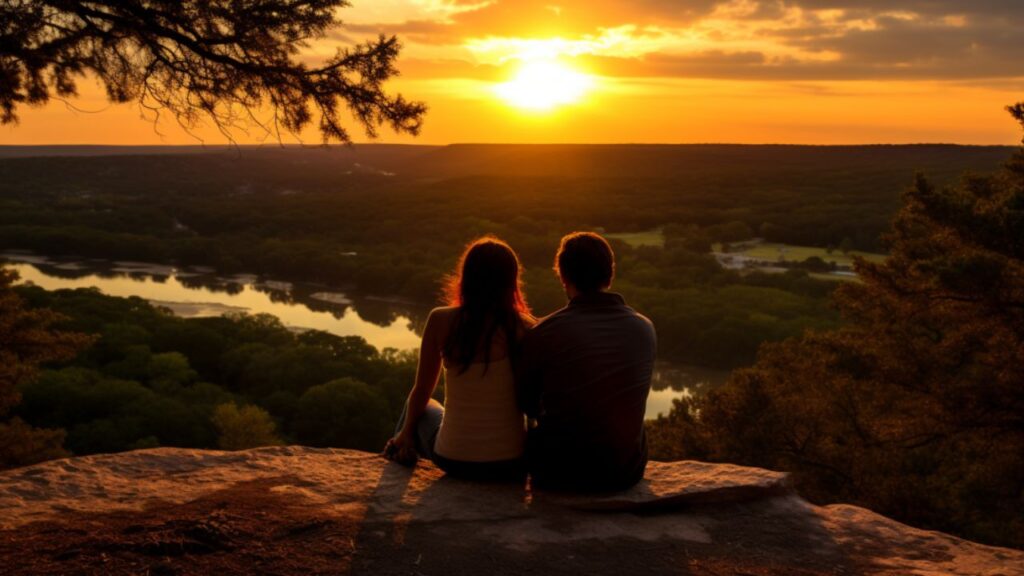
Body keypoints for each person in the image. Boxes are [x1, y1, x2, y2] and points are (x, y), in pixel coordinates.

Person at [383, 237, 535, 482]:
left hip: (452, 459)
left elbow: (422, 390)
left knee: (425, 403)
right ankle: (404, 441)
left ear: (467, 277)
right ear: (511, 282)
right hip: (510, 463)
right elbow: (533, 402)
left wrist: (407, 432)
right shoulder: (525, 328)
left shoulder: (440, 320)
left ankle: (402, 445)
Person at [517, 232, 656, 491]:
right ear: (610, 273)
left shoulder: (544, 332)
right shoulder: (644, 328)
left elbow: (526, 404)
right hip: (625, 473)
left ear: (562, 276)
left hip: (559, 474)